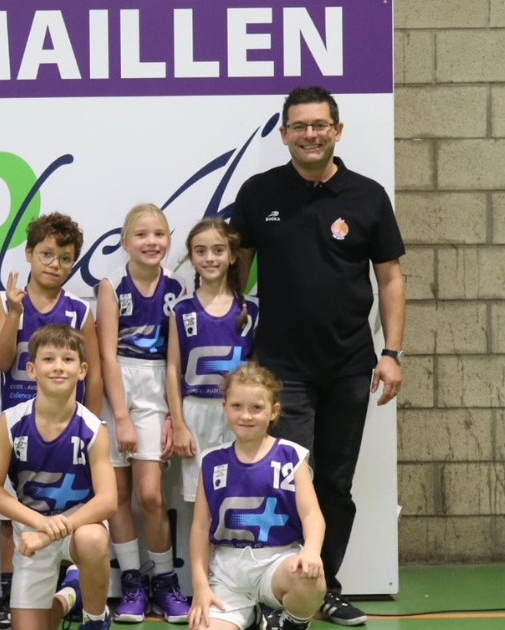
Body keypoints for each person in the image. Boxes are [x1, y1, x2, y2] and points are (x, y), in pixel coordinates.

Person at [229, 85, 406, 627]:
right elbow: (236, 268)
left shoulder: (368, 196)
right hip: (281, 370)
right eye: (300, 126)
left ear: (337, 130)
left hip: (350, 366)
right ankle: (280, 590)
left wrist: (392, 352)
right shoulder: (259, 192)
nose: (310, 135)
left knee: (334, 483)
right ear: (284, 134)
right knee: (289, 479)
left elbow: (391, 278)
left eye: (320, 125)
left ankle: (322, 586)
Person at [0, 212, 103, 630]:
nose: (55, 264)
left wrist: (94, 425)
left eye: (65, 258)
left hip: (65, 423)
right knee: (11, 511)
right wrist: (14, 313)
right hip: (20, 420)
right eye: (47, 254)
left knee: (73, 505)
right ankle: (9, 593)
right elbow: (0, 360)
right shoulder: (6, 302)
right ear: (29, 254)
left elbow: (94, 374)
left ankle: (81, 592)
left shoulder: (79, 310)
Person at [0, 324, 116, 630]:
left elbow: (108, 500)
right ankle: (71, 595)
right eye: (48, 359)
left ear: (82, 370)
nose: (58, 367)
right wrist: (40, 525)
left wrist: (51, 531)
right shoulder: (10, 422)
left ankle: (95, 620)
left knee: (93, 538)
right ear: (31, 370)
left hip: (78, 526)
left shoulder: (94, 428)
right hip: (32, 529)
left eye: (67, 359)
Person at [95, 203, 189, 624]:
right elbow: (107, 356)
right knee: (116, 495)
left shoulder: (178, 288)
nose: (151, 242)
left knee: (150, 495)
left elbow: (177, 360)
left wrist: (173, 415)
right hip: (117, 387)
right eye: (141, 234)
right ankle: (132, 582)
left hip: (157, 387)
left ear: (168, 239)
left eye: (159, 234)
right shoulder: (111, 285)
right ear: (124, 242)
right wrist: (120, 416)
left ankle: (164, 581)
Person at [187, 364, 326, 630]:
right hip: (227, 573)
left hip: (277, 561)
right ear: (225, 407)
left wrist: (311, 551)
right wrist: (200, 586)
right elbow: (200, 528)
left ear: (273, 411)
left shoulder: (291, 457)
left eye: (256, 408)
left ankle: (291, 622)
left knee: (311, 579)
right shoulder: (211, 461)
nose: (246, 416)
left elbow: (312, 516)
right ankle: (252, 616)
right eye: (237, 406)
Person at [168, 218, 259, 502]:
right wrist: (179, 425)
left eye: (218, 250)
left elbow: (258, 374)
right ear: (191, 258)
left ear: (232, 256)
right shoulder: (181, 310)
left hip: (239, 415)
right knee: (202, 500)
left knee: (238, 496)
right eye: (201, 251)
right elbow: (173, 368)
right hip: (195, 413)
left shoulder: (252, 309)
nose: (210, 258)